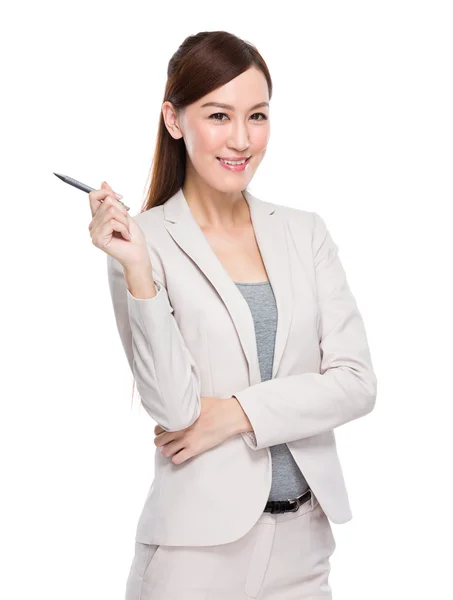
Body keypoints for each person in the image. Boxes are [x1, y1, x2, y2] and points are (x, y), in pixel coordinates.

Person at [88, 30, 377, 600]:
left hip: (304, 547)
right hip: (194, 556)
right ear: (174, 119)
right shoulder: (141, 243)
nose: (241, 139)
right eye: (218, 115)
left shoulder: (305, 233)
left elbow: (356, 384)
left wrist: (234, 413)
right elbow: (174, 408)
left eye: (258, 116)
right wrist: (139, 270)